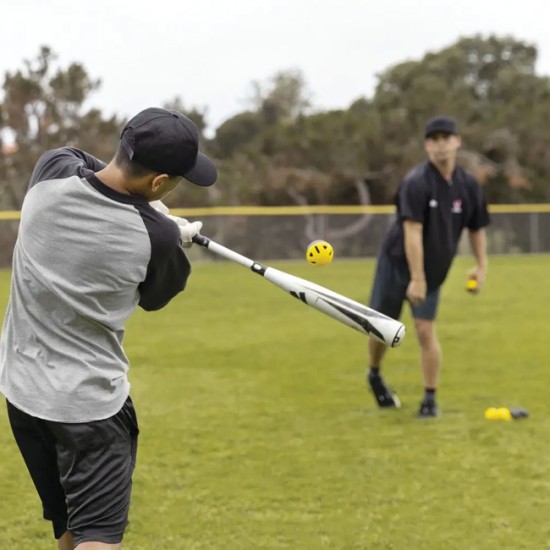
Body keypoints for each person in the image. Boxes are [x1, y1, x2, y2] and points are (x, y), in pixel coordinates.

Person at [0, 107, 217, 549]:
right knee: (98, 534)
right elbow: (156, 298)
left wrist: (148, 208)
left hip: (23, 392)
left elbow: (86, 163)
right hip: (89, 407)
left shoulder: (50, 174)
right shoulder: (156, 238)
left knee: (69, 523)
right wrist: (162, 223)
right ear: (159, 183)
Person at [367, 115, 490, 418]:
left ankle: (430, 399)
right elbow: (412, 231)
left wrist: (481, 266)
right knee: (382, 327)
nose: (441, 145)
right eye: (434, 140)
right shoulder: (416, 182)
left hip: (434, 267)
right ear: (426, 146)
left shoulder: (468, 185)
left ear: (457, 141)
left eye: (446, 138)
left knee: (424, 329)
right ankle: (374, 373)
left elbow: (476, 228)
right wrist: (416, 278)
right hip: (397, 263)